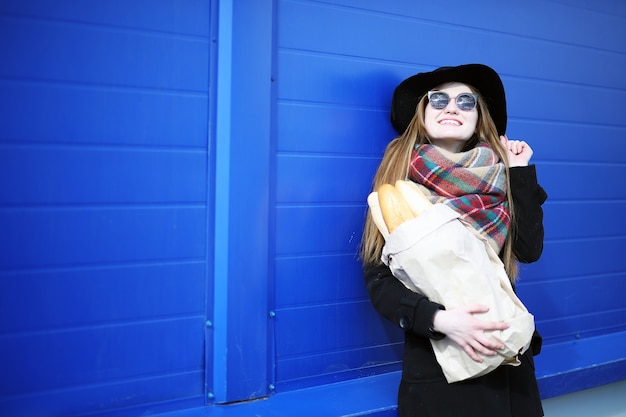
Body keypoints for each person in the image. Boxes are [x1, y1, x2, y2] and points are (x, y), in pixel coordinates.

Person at [360, 64, 547, 417]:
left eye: (466, 101)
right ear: (423, 114)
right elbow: (379, 281)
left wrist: (519, 171)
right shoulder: (398, 189)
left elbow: (528, 250)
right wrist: (439, 320)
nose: (451, 107)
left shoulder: (506, 181)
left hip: (509, 363)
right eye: (438, 99)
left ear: (480, 117)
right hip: (440, 372)